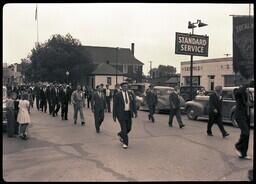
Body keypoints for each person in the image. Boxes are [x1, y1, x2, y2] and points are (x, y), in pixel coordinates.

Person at [113, 82, 137, 149]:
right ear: (121, 87)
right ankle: (125, 143)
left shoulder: (130, 94)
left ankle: (121, 134)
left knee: (129, 128)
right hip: (121, 114)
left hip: (128, 113)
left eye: (126, 86)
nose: (125, 87)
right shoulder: (118, 95)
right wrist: (114, 115)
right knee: (124, 128)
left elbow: (133, 103)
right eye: (124, 86)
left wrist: (135, 112)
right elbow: (115, 106)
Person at [234, 83, 252, 159]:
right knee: (245, 132)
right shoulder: (237, 91)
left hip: (247, 115)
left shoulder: (248, 92)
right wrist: (245, 85)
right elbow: (238, 93)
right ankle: (238, 146)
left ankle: (243, 153)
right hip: (239, 115)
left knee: (246, 134)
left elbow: (250, 102)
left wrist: (250, 104)